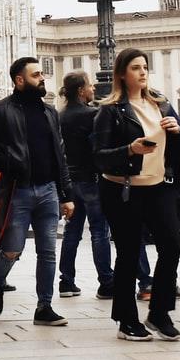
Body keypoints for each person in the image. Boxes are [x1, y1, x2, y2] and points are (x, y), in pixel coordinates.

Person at [0, 58, 74, 325]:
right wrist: (4, 162)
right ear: (19, 80)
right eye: (36, 74)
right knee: (12, 249)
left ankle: (44, 307)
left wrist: (67, 193)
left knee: (48, 251)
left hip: (48, 190)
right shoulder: (0, 110)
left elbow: (59, 154)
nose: (42, 78)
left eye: (41, 73)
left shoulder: (50, 112)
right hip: (18, 190)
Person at [91, 49, 180, 340]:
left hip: (158, 185)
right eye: (135, 68)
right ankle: (126, 319)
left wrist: (178, 131)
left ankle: (159, 312)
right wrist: (130, 150)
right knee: (129, 253)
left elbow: (179, 148)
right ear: (122, 74)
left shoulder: (162, 105)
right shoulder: (110, 110)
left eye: (145, 67)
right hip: (123, 189)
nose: (143, 72)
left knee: (172, 245)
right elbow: (99, 157)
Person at [56, 73, 108, 300]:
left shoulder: (59, 116)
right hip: (91, 179)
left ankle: (66, 282)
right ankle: (106, 282)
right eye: (89, 85)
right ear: (80, 90)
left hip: (69, 180)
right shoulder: (93, 114)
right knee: (99, 231)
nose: (93, 88)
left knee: (72, 232)